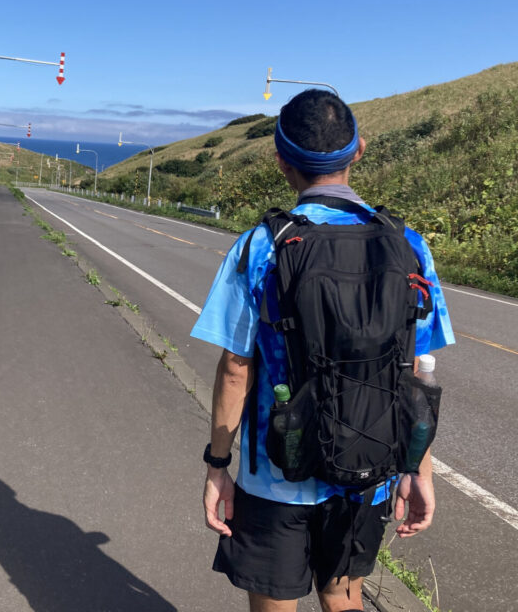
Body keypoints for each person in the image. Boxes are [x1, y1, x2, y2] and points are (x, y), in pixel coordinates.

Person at [191, 89, 454, 612]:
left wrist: (217, 466)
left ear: (281, 162)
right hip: (369, 470)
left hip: (275, 475)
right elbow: (418, 371)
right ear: (358, 150)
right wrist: (417, 470)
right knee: (344, 600)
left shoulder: (259, 246)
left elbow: (237, 369)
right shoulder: (407, 245)